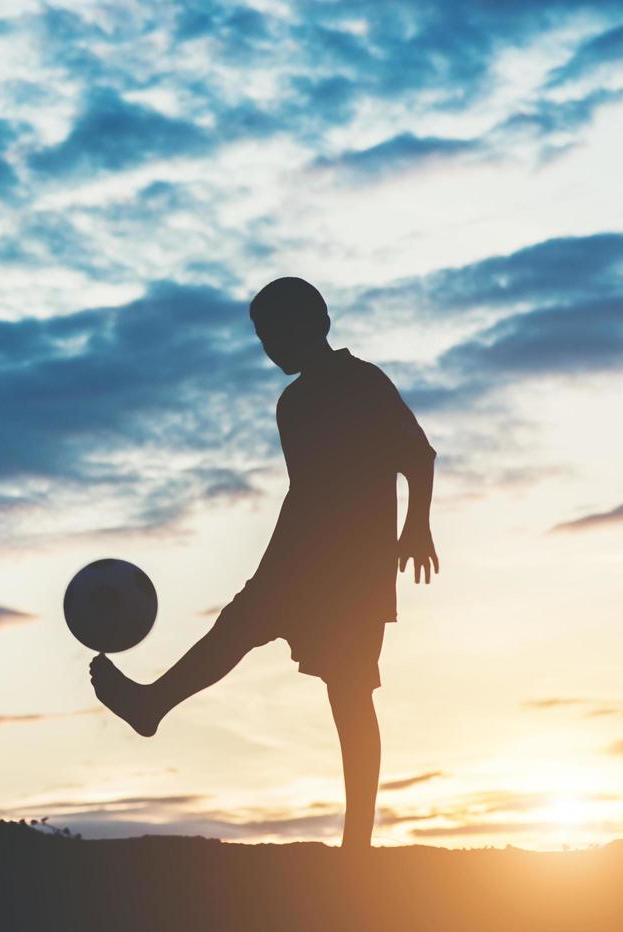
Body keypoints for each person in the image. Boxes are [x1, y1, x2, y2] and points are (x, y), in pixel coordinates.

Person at [90, 276, 439, 850]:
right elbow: (306, 489)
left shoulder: (363, 382)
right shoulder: (293, 402)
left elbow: (418, 455)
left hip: (352, 566)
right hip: (301, 555)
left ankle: (357, 843)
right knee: (239, 628)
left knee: (348, 691)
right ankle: (152, 704)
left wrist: (416, 525)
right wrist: (279, 560)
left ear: (318, 325)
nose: (269, 346)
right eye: (261, 336)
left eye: (276, 332)